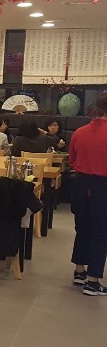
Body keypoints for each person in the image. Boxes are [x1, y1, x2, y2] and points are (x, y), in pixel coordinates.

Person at [68, 93, 107, 296]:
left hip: (80, 185)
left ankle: (79, 271)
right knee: (101, 232)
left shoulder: (79, 132)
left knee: (82, 228)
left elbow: (72, 161)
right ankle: (93, 281)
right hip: (103, 186)